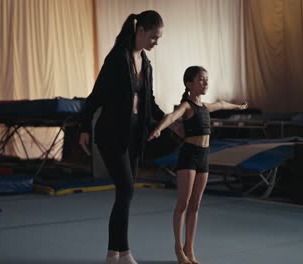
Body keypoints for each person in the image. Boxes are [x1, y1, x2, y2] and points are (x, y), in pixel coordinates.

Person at [79, 10, 174, 264]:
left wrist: (171, 121)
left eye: (159, 38)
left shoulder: (147, 63)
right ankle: (117, 253)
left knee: (126, 194)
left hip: (134, 135)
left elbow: (149, 102)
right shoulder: (117, 59)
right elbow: (95, 96)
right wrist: (84, 128)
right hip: (111, 133)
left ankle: (119, 253)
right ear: (140, 31)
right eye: (154, 37)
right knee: (127, 189)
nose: (157, 42)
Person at [148, 66, 248, 264]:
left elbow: (221, 104)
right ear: (189, 84)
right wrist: (159, 128)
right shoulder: (187, 106)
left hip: (204, 155)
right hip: (189, 156)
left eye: (207, 79)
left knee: (195, 205)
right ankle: (178, 249)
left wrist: (237, 107)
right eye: (201, 79)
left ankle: (189, 249)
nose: (205, 82)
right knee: (183, 204)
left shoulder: (205, 107)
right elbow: (172, 116)